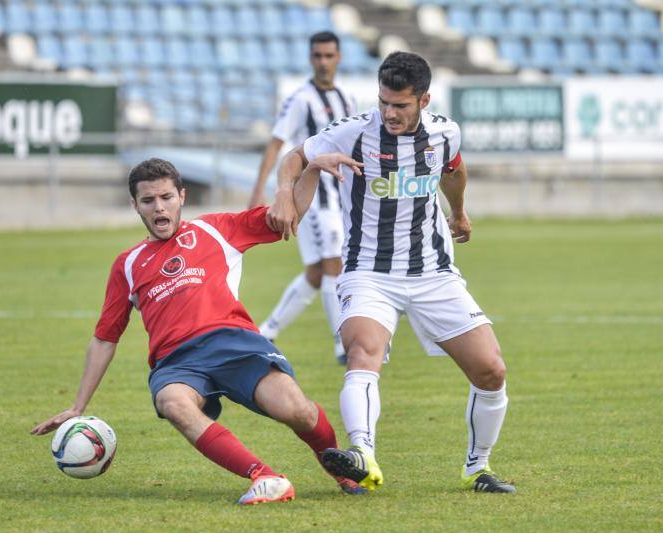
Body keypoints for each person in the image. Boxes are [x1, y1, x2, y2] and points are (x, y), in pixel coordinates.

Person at [31, 158, 366, 504]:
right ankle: (264, 476)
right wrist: (78, 406)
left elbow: (291, 210)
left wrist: (311, 169)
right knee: (172, 402)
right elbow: (105, 338)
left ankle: (338, 464)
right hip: (177, 363)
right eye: (148, 201)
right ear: (135, 206)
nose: (159, 207)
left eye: (166, 197)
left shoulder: (216, 229)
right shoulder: (127, 264)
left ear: (182, 196)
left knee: (298, 411)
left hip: (234, 343)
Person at [267, 51, 516, 494]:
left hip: (433, 273)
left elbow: (454, 170)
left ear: (424, 100)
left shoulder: (445, 133)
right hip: (368, 272)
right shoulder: (355, 132)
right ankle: (363, 454)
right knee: (363, 353)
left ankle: (478, 468)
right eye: (385, 102)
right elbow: (293, 156)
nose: (390, 112)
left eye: (400, 105)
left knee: (491, 370)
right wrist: (285, 191)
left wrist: (458, 213)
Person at [249, 31, 355, 365]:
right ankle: (342, 342)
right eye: (317, 56)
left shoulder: (345, 98)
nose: (323, 62)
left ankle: (266, 330)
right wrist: (259, 190)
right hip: (313, 199)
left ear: (338, 57)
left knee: (315, 272)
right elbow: (276, 143)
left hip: (339, 197)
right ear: (310, 59)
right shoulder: (300, 99)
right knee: (334, 264)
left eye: (328, 55)